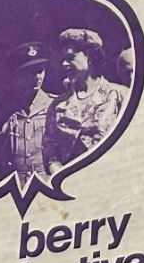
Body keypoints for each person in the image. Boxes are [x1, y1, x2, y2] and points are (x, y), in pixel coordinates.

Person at [45, 28, 127, 165]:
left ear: (90, 57)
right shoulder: (57, 105)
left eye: (70, 57)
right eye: (64, 59)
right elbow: (50, 155)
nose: (64, 64)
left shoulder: (119, 95)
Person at [0, 41, 54, 179]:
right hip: (15, 184)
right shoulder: (2, 111)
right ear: (18, 74)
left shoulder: (55, 106)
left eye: (40, 71)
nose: (37, 77)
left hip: (47, 181)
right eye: (31, 72)